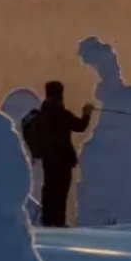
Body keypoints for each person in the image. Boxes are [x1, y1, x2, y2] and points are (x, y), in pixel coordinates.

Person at [39, 80, 93, 227]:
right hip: (62, 159)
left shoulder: (42, 112)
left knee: (50, 188)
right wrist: (87, 114)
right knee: (61, 191)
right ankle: (58, 221)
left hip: (48, 158)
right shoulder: (60, 112)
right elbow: (80, 126)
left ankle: (47, 220)